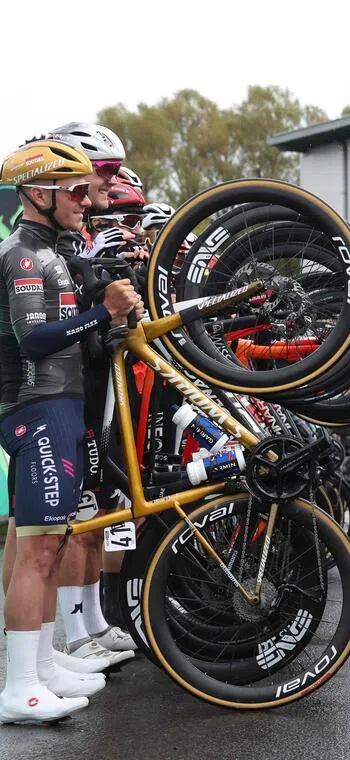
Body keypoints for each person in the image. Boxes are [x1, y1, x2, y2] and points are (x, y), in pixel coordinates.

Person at [0, 140, 143, 724]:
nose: (89, 200)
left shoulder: (52, 252)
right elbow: (35, 339)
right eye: (77, 190)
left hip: (60, 405)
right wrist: (102, 313)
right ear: (40, 193)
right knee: (37, 550)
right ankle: (17, 687)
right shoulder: (23, 257)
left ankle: (42, 666)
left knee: (49, 544)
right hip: (36, 408)